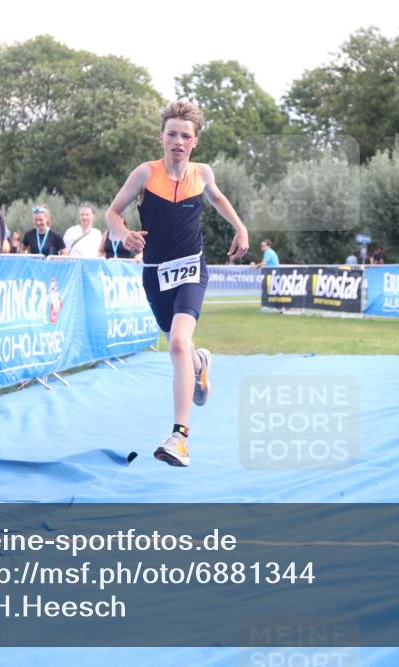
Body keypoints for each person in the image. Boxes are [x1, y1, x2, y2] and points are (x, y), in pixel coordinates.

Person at [105, 100, 249, 467]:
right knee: (182, 349)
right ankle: (200, 366)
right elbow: (112, 212)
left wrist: (240, 227)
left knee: (178, 344)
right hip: (155, 273)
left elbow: (217, 197)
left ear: (194, 141)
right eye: (172, 134)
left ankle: (179, 438)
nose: (178, 141)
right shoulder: (144, 174)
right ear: (162, 137)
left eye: (186, 135)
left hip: (191, 269)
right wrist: (122, 234)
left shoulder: (202, 174)